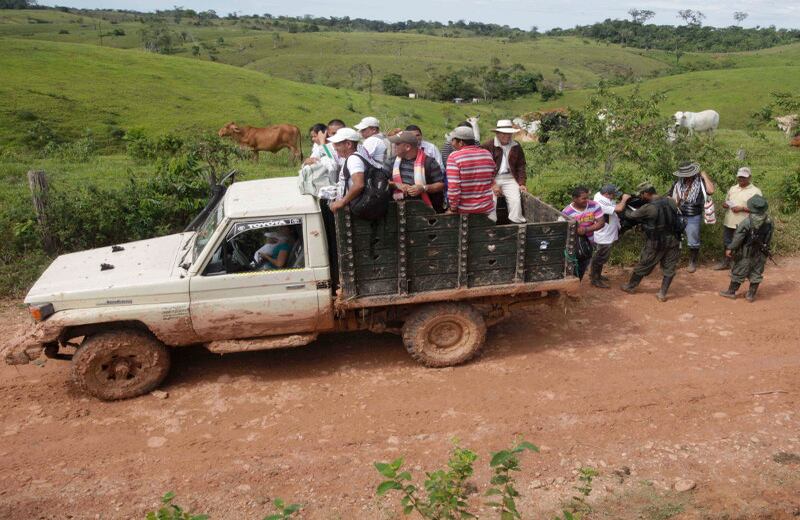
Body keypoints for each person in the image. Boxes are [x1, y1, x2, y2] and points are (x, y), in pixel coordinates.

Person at [621, 182, 682, 302]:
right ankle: (662, 294)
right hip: (674, 239)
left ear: (647, 194)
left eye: (642, 194)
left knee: (644, 262)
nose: (641, 197)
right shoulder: (670, 201)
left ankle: (630, 286)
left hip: (656, 241)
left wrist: (624, 206)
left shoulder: (649, 208)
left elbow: (631, 216)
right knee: (670, 266)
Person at [719, 195, 773, 302]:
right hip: (761, 251)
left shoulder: (746, 222)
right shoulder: (769, 221)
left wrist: (730, 248)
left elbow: (738, 238)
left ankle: (731, 292)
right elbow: (769, 237)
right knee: (757, 272)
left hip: (746, 251)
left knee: (739, 270)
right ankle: (751, 295)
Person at [669, 162, 715, 273]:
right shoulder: (678, 182)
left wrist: (704, 176)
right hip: (678, 214)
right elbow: (670, 195)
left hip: (693, 215)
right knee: (675, 238)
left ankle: (692, 262)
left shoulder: (701, 182)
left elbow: (711, 191)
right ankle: (673, 261)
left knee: (693, 240)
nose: (685, 176)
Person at [714, 167, 763, 270]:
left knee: (742, 245)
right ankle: (726, 262)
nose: (741, 179)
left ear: (750, 177)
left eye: (744, 177)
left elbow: (759, 210)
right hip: (729, 222)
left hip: (744, 224)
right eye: (740, 177)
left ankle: (738, 267)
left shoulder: (756, 191)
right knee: (727, 243)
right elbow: (726, 201)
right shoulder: (733, 188)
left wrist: (742, 208)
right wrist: (726, 205)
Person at [387, 131, 446, 213]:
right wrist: (396, 185)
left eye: (397, 144)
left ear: (407, 147)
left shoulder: (429, 162)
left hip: (425, 211)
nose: (394, 147)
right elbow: (382, 181)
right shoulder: (391, 162)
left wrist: (423, 188)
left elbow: (441, 185)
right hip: (397, 210)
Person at [445, 126, 495, 219]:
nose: (451, 143)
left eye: (453, 140)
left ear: (461, 142)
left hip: (465, 212)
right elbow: (491, 179)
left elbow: (454, 188)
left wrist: (453, 209)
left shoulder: (454, 157)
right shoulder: (487, 154)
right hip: (487, 209)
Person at [483, 119, 528, 224]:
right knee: (491, 201)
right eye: (504, 134)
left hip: (510, 178)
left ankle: (516, 225)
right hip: (493, 178)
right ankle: (490, 224)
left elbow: (521, 165)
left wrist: (521, 183)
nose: (507, 136)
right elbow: (484, 168)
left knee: (516, 201)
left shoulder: (516, 146)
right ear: (497, 134)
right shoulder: (488, 145)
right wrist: (492, 184)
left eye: (509, 134)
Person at [590, 184, 631, 288]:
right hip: (604, 235)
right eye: (613, 195)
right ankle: (595, 279)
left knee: (600, 256)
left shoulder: (600, 195)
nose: (614, 196)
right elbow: (619, 208)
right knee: (600, 257)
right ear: (606, 194)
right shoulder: (600, 203)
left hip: (606, 233)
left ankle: (596, 275)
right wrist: (624, 199)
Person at [562, 186, 605, 281]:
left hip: (589, 243)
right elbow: (563, 230)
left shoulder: (594, 205)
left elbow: (601, 223)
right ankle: (569, 287)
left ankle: (575, 284)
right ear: (574, 199)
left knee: (583, 266)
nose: (587, 200)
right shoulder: (567, 212)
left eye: (587, 197)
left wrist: (586, 230)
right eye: (583, 198)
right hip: (573, 244)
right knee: (570, 266)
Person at [327, 128, 365, 213]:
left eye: (337, 144)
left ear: (348, 144)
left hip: (355, 208)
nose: (334, 146)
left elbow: (359, 184)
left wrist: (342, 201)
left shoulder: (353, 159)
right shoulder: (353, 158)